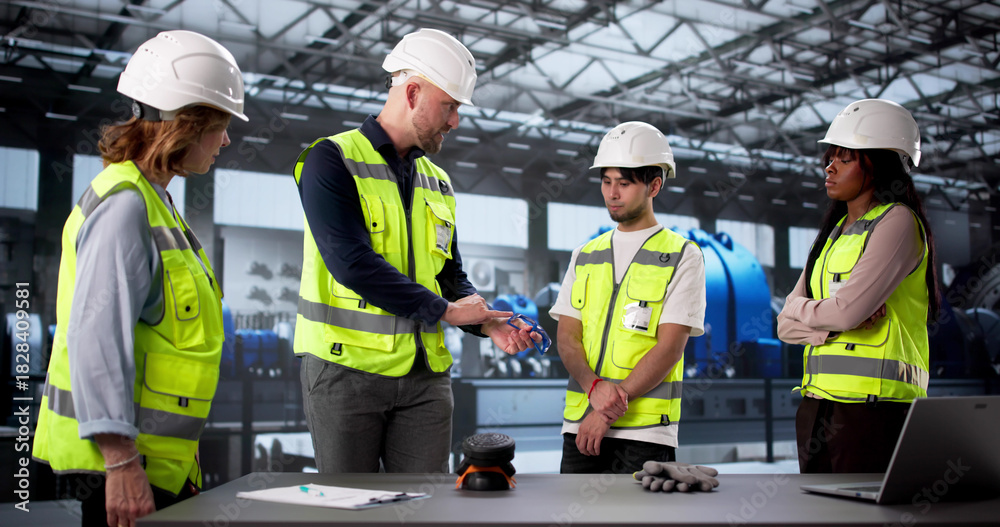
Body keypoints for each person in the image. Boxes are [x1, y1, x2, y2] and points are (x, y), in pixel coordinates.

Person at [292, 28, 537, 474]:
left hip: (426, 380)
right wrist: (445, 312)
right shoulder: (330, 160)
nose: (455, 121)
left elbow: (450, 275)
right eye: (450, 106)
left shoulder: (438, 181)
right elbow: (351, 263)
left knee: (427, 508)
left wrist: (485, 324)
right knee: (351, 507)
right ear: (412, 93)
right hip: (347, 372)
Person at [31, 30, 247, 527]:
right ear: (187, 124)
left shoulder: (155, 201)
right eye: (221, 124)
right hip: (130, 467)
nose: (227, 140)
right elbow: (96, 338)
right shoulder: (125, 206)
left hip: (160, 463)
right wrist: (121, 461)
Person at [777, 98, 938, 474]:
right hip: (817, 406)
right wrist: (830, 322)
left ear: (879, 165)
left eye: (845, 159)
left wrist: (822, 313)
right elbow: (784, 324)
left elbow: (845, 310)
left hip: (875, 410)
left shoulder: (897, 224)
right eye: (830, 158)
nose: (829, 168)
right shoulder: (832, 236)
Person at [548, 121, 707, 474]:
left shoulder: (683, 255)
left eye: (624, 183)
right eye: (606, 181)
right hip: (579, 425)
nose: (612, 193)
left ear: (654, 185)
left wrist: (606, 411)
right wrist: (593, 389)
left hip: (646, 431)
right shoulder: (585, 254)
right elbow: (568, 336)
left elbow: (669, 347)